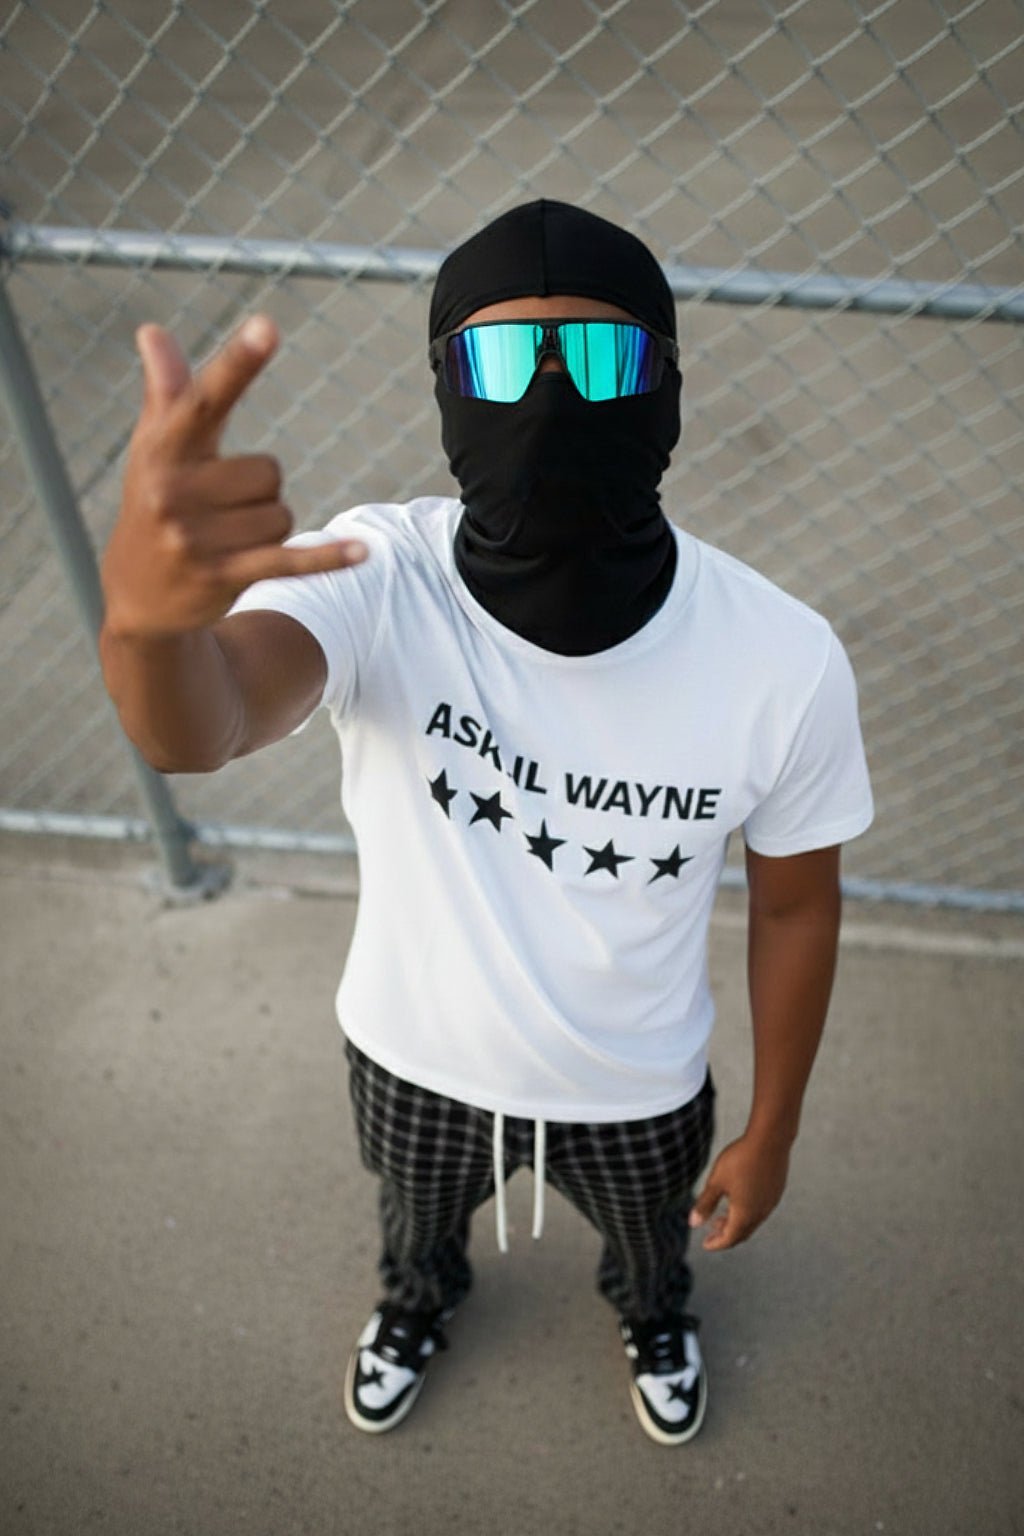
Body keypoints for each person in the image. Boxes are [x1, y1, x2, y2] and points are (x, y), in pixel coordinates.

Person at [99, 199, 873, 1446]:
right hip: (416, 1054)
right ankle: (416, 1305)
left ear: (669, 384)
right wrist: (147, 625)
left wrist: (772, 1129)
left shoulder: (780, 659)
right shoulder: (373, 577)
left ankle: (653, 1312)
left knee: (655, 1247)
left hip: (637, 1080)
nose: (550, 396)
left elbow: (794, 907)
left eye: (603, 355)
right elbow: (205, 724)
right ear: (446, 387)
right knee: (414, 1231)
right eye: (503, 358)